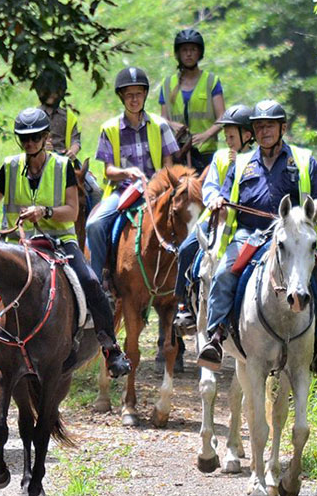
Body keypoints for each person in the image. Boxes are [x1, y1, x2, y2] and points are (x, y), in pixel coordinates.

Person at [0, 108, 132, 381]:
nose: (29, 143)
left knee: (91, 281)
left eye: (35, 137)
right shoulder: (9, 166)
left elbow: (71, 210)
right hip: (17, 244)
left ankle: (110, 348)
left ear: (46, 137)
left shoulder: (62, 166)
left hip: (58, 241)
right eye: (25, 138)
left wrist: (45, 212)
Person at [196, 100, 317, 377]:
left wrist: (304, 216)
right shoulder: (241, 164)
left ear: (282, 128)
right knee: (225, 273)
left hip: (294, 238)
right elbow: (223, 196)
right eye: (259, 126)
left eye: (270, 125)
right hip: (250, 235)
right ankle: (216, 336)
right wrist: (216, 202)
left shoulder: (303, 160)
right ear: (253, 131)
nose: (264, 131)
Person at [86, 66, 180, 285]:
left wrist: (157, 183)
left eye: (138, 94)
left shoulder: (160, 125)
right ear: (122, 97)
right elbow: (108, 170)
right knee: (94, 225)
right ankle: (99, 283)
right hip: (124, 192)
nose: (134, 99)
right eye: (129, 95)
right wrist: (127, 172)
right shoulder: (109, 128)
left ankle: (183, 286)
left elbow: (168, 166)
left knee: (185, 220)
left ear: (145, 94)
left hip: (157, 192)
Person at [171, 103, 255, 334]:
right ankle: (185, 306)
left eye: (231, 136)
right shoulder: (219, 157)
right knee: (187, 249)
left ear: (247, 135)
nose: (227, 140)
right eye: (226, 136)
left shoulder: (258, 159)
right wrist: (215, 198)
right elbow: (210, 187)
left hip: (245, 224)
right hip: (215, 219)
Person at [32, 68, 102, 209]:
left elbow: (76, 140)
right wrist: (41, 147)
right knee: (16, 187)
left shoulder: (67, 116)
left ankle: (89, 227)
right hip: (38, 162)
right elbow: (26, 141)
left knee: (95, 190)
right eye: (48, 91)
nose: (52, 95)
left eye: (56, 91)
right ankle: (10, 227)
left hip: (66, 161)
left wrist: (73, 151)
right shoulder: (33, 116)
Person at [158, 29, 226, 173]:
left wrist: (206, 135)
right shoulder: (167, 84)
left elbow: (222, 117)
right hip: (177, 152)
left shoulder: (211, 81)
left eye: (193, 50)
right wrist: (171, 124)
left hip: (205, 153)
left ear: (199, 53)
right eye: (184, 50)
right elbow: (162, 119)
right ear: (178, 53)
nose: (188, 54)